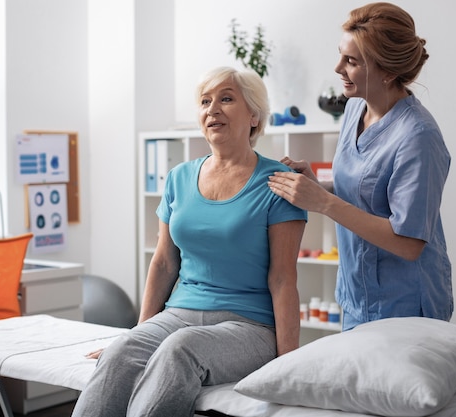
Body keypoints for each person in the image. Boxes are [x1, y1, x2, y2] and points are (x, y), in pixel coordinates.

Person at [72, 66, 307, 417]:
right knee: (122, 350)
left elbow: (283, 278)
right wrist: (139, 335)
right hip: (178, 314)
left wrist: (287, 365)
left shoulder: (278, 182)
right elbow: (165, 262)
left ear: (254, 115)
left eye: (226, 99)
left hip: (249, 326)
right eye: (205, 101)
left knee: (181, 349)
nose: (212, 109)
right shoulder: (179, 177)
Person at [268, 2, 452, 331]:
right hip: (356, 294)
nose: (338, 68)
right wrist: (316, 187)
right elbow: (366, 194)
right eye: (341, 55)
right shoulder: (355, 109)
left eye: (351, 61)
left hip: (406, 305)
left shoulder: (418, 137)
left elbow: (409, 243)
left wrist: (323, 203)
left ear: (388, 72)